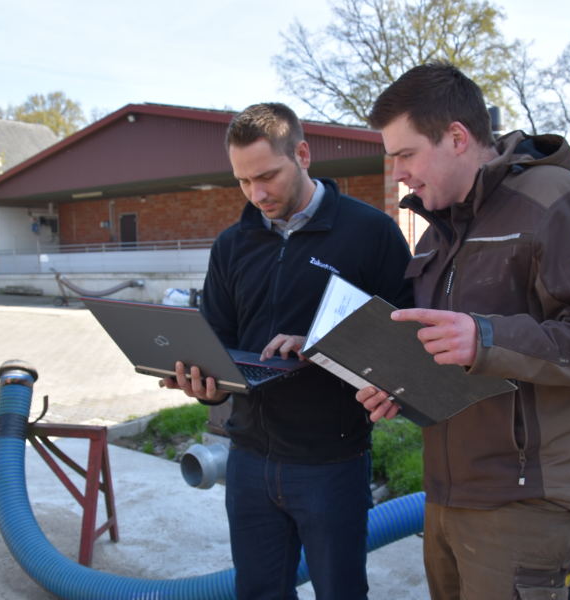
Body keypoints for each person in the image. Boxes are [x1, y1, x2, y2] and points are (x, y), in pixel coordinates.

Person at [357, 62, 570, 600]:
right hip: (447, 492)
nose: (397, 172)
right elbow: (448, 351)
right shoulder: (436, 234)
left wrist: (487, 338)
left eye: (405, 154)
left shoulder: (555, 201)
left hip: (524, 502)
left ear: (457, 138)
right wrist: (400, 380)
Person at [165, 102, 414, 600]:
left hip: (331, 462)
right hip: (249, 460)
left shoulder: (372, 234)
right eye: (242, 181)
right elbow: (220, 344)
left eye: (267, 176)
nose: (256, 194)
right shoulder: (231, 246)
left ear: (302, 153)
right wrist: (203, 387)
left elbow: (406, 347)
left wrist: (323, 343)